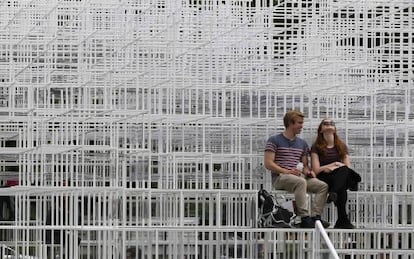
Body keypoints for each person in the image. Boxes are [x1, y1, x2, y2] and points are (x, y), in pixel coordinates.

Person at [264, 110, 329, 228]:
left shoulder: (302, 144)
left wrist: (308, 171)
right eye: (299, 123)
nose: (302, 126)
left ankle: (316, 217)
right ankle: (304, 217)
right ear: (290, 123)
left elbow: (305, 165)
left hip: (299, 177)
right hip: (281, 177)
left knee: (322, 186)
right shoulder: (274, 140)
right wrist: (287, 171)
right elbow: (268, 163)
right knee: (301, 182)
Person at [310, 118, 357, 229]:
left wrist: (337, 166)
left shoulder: (341, 146)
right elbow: (316, 170)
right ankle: (342, 220)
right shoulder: (316, 147)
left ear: (335, 129)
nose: (329, 125)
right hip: (324, 176)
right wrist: (331, 165)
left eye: (332, 124)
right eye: (325, 124)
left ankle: (333, 193)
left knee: (344, 173)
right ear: (321, 130)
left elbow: (347, 167)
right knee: (342, 188)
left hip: (338, 176)